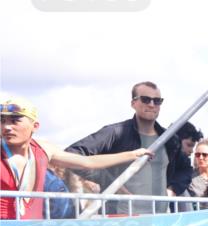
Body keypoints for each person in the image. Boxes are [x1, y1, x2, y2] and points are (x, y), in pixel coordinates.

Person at [1, 97, 152, 219]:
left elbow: (87, 162)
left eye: (15, 121)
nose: (6, 127)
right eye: (2, 121)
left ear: (35, 126)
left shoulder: (43, 149)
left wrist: (132, 154)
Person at [65, 82, 189, 213]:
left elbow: (185, 169)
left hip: (159, 218)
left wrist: (172, 190)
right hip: (121, 218)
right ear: (133, 103)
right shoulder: (115, 133)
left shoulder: (169, 139)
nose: (152, 104)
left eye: (157, 101)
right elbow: (71, 155)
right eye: (145, 99)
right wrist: (112, 183)